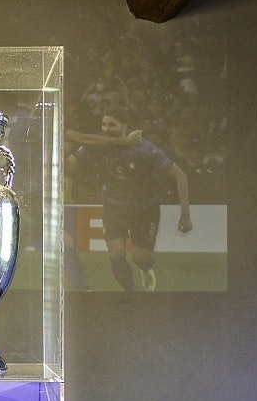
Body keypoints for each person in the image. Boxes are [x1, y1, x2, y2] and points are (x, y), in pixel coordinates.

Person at [66, 107, 191, 292]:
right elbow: (69, 165)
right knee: (116, 255)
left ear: (125, 126)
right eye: (103, 124)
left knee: (142, 259)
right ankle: (132, 292)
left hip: (145, 208)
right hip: (114, 207)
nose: (105, 128)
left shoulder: (144, 148)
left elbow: (180, 176)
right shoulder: (96, 145)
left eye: (111, 124)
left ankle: (146, 269)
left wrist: (185, 214)